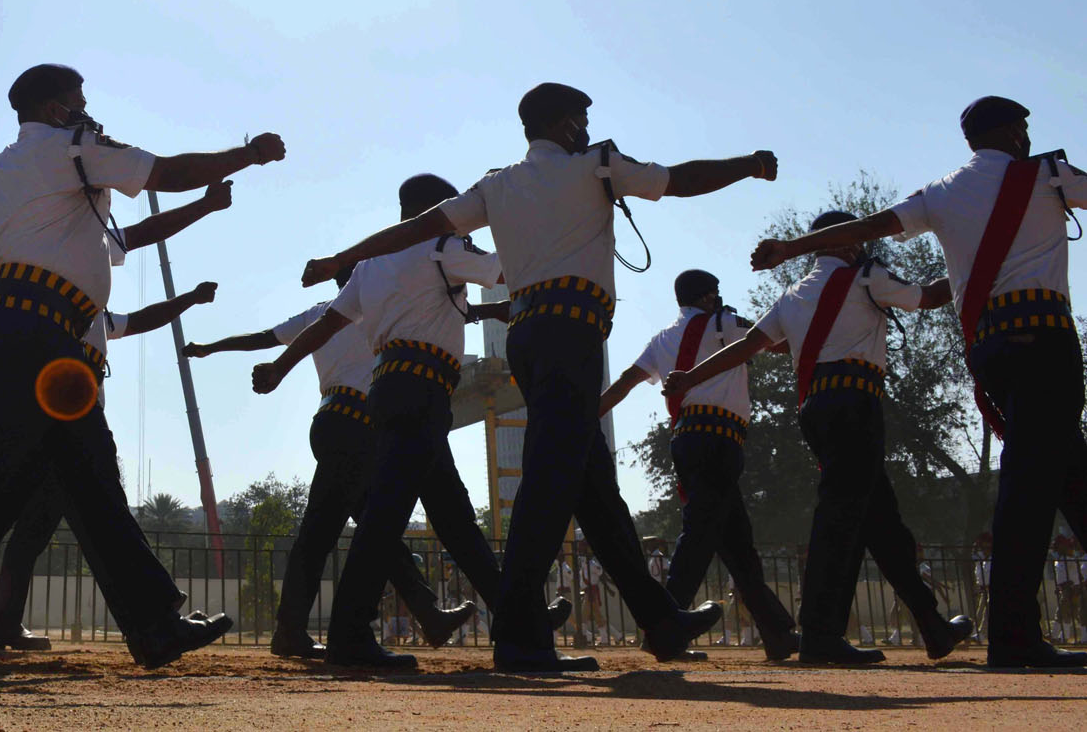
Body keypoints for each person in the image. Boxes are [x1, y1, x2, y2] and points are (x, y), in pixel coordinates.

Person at [0, 63, 284, 674]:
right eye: (79, 99)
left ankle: (151, 627)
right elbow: (167, 173)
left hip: (26, 325)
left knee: (78, 480)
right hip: (42, 330)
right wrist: (245, 154)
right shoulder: (76, 150)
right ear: (56, 107)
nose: (88, 109)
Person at [300, 83, 768, 670]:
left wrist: (341, 257)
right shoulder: (596, 165)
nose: (588, 126)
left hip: (529, 336)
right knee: (550, 480)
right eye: (584, 117)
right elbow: (677, 178)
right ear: (569, 123)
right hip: (573, 334)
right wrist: (747, 166)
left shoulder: (497, 185)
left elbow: (414, 229)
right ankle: (521, 636)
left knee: (591, 482)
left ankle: (660, 619)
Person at [749, 97, 1087, 668]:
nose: (1027, 136)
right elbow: (896, 265)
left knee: (1071, 475)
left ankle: (946, 624)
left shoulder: (942, 191)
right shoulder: (1047, 174)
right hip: (1043, 338)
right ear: (1008, 131)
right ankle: (1013, 634)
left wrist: (791, 250)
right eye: (1022, 127)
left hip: (990, 344)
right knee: (1031, 487)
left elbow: (874, 223)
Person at [0, 180, 234, 654]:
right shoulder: (40, 259)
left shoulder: (93, 305)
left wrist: (189, 295)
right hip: (46, 404)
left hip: (63, 407)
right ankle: (148, 624)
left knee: (4, 518)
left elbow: (142, 306)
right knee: (34, 515)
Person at [255, 174, 560, 669]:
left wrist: (277, 368)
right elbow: (506, 271)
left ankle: (521, 621)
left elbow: (324, 326)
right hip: (423, 391)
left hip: (392, 390)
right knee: (387, 518)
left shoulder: (372, 264)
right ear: (437, 208)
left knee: (455, 520)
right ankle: (350, 635)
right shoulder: (442, 245)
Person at [673, 210, 972, 664]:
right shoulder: (866, 276)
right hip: (856, 402)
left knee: (881, 522)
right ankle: (820, 632)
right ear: (847, 241)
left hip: (817, 407)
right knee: (840, 518)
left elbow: (747, 347)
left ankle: (931, 625)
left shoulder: (792, 297)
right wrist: (975, 266)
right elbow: (929, 297)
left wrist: (691, 376)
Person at [187, 263, 490, 660]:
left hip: (331, 420)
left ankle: (421, 612)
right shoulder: (386, 307)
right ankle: (306, 630)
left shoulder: (318, 314)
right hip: (360, 427)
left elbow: (263, 337)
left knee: (367, 531)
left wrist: (211, 347)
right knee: (341, 533)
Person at [599, 268, 799, 661]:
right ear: (710, 296)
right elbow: (776, 344)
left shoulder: (662, 338)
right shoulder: (726, 321)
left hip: (687, 436)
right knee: (700, 534)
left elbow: (626, 381)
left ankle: (776, 632)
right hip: (720, 437)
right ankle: (664, 627)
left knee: (737, 544)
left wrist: (590, 416)